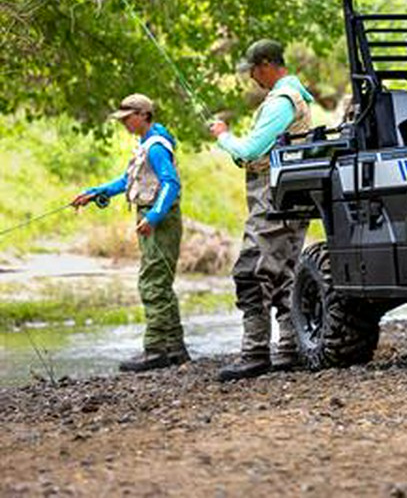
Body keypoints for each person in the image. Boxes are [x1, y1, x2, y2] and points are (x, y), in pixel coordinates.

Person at [209, 38, 314, 381]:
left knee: (251, 270)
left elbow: (251, 148)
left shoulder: (282, 101)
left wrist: (223, 136)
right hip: (290, 194)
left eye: (253, 70)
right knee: (285, 271)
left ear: (266, 64)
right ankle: (289, 347)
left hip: (273, 196)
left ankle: (254, 352)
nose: (252, 77)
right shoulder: (294, 96)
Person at [73, 93, 188, 372]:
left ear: (143, 116)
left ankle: (156, 350)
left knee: (152, 282)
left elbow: (170, 184)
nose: (124, 123)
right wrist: (96, 193)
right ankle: (175, 349)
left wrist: (153, 216)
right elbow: (128, 180)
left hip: (159, 221)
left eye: (128, 118)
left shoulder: (157, 147)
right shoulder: (145, 143)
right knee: (158, 281)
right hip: (152, 219)